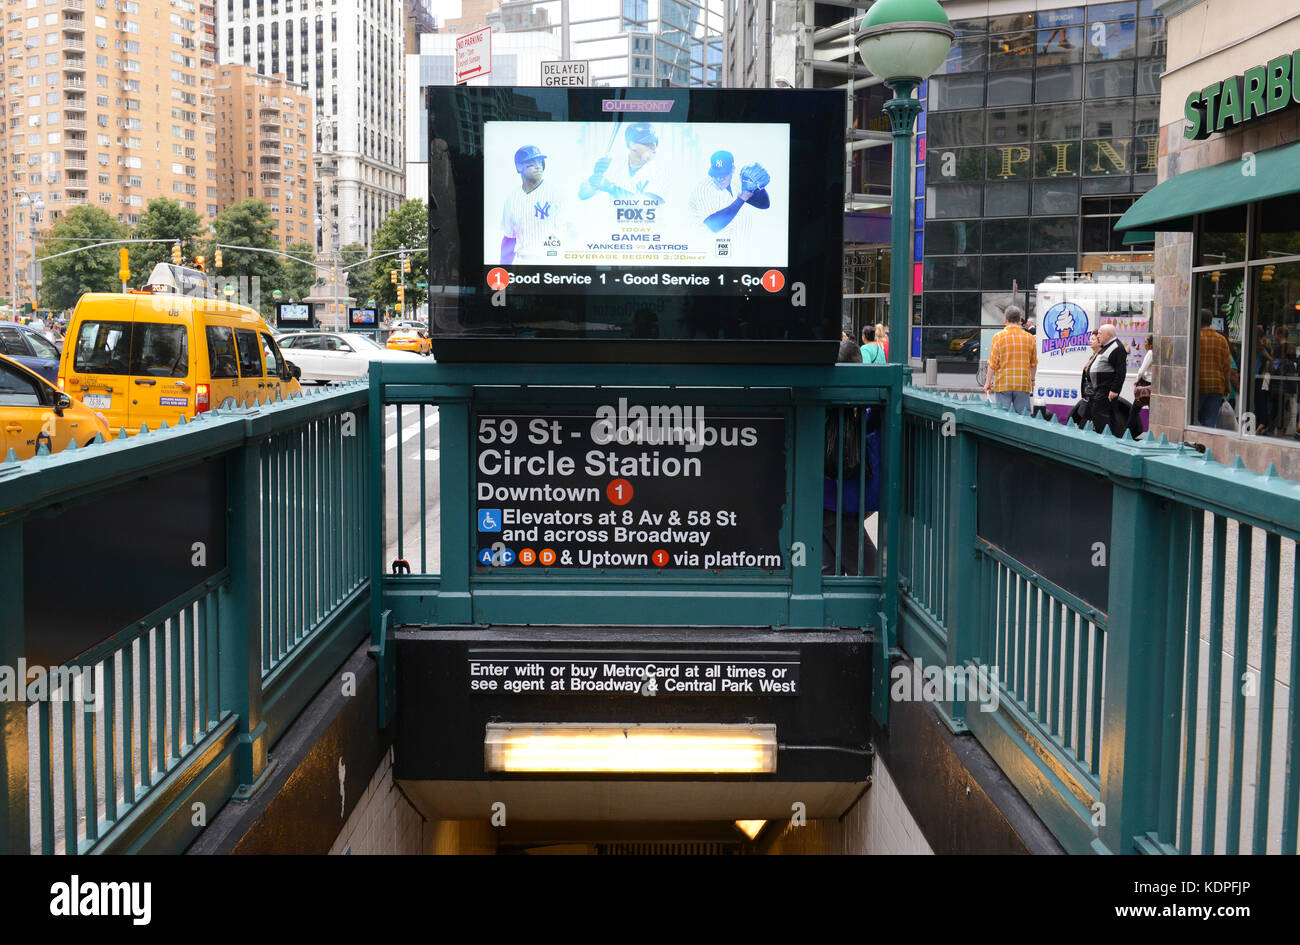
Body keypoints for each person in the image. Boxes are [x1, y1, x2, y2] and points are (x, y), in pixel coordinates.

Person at [822, 339, 878, 576]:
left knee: (826, 572)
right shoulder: (862, 410)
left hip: (822, 503)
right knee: (870, 572)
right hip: (841, 507)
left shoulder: (818, 404)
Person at [687, 150, 770, 253]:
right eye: (716, 174)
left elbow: (764, 204)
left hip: (732, 249)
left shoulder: (736, 182)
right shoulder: (704, 189)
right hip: (703, 247)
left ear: (733, 169)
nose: (719, 178)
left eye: (724, 174)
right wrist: (742, 197)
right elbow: (713, 225)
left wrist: (757, 188)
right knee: (742, 217)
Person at [499, 144, 567, 265]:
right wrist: (503, 268)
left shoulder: (556, 193)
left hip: (552, 261)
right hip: (523, 262)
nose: (538, 166)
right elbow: (509, 238)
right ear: (519, 166)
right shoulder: (511, 199)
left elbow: (569, 231)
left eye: (540, 162)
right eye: (531, 162)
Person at [579, 122, 668, 207]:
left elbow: (651, 204)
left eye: (655, 142)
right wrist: (595, 176)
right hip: (615, 222)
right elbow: (583, 194)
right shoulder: (615, 163)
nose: (654, 147)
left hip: (649, 222)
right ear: (632, 144)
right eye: (647, 144)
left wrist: (611, 188)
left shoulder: (660, 169)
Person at [984, 304, 1037, 412]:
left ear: (1005, 319)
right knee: (1023, 419)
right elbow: (1033, 363)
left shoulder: (998, 337)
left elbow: (992, 364)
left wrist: (988, 382)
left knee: (1003, 418)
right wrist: (1032, 380)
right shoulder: (1030, 338)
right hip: (1022, 384)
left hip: (1003, 383)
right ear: (1020, 320)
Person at [1197, 310, 1236, 428]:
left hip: (1198, 385)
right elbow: (1227, 366)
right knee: (1210, 421)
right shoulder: (1221, 339)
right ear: (1211, 321)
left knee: (1192, 420)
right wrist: (1227, 385)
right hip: (1216, 386)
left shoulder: (1195, 337)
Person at [1088, 323, 1128, 435]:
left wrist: (1115, 390)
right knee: (1098, 414)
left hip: (1106, 389)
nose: (1098, 336)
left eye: (1100, 334)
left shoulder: (1117, 347)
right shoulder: (1107, 346)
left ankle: (1106, 437)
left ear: (1109, 335)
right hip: (1100, 388)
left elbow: (1121, 371)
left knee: (1102, 415)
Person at [1068, 330, 1102, 428]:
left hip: (1094, 394)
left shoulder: (1100, 357)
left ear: (1099, 341)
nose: (1090, 341)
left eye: (1093, 339)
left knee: (1086, 421)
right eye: (1090, 338)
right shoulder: (1093, 356)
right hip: (1088, 393)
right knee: (1084, 418)